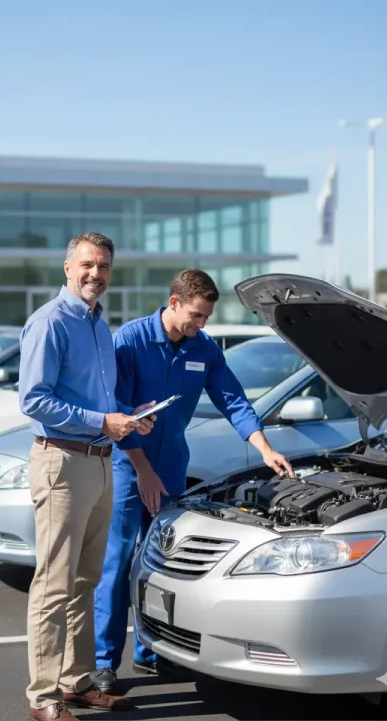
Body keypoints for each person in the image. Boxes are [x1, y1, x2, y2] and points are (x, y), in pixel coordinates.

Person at [92, 268, 294, 693]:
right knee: (119, 563)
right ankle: (104, 662)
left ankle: (152, 652)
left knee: (162, 564)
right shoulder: (129, 341)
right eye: (195, 316)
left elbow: (233, 399)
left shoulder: (203, 348)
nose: (200, 325)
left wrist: (263, 447)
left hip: (171, 467)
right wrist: (143, 470)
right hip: (130, 468)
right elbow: (116, 408)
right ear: (173, 303)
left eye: (205, 318)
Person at [18, 232, 156, 721]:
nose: (95, 274)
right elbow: (34, 400)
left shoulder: (99, 326)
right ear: (68, 268)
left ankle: (76, 681)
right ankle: (44, 696)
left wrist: (127, 416)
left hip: (99, 462)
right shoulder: (50, 322)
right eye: (87, 265)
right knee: (53, 584)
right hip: (62, 461)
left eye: (103, 267)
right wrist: (103, 423)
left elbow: (98, 404)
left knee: (85, 580)